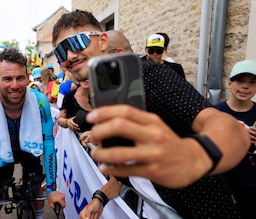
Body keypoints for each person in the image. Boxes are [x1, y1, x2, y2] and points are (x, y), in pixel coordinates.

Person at [52, 9, 250, 218]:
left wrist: (196, 155)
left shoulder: (147, 76)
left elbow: (228, 128)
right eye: (60, 52)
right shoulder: (100, 97)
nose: (69, 56)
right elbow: (130, 170)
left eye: (75, 43)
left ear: (102, 41)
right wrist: (100, 198)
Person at [0, 48, 65, 219]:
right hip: (0, 151)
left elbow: (48, 145)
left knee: (36, 187)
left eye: (20, 78)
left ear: (28, 77)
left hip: (30, 149)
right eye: (7, 79)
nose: (15, 85)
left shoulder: (40, 101)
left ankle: (37, 215)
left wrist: (52, 189)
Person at [215, 60, 256, 219]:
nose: (245, 86)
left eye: (252, 82)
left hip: (251, 185)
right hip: (222, 183)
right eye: (240, 81)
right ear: (229, 83)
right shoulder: (214, 112)